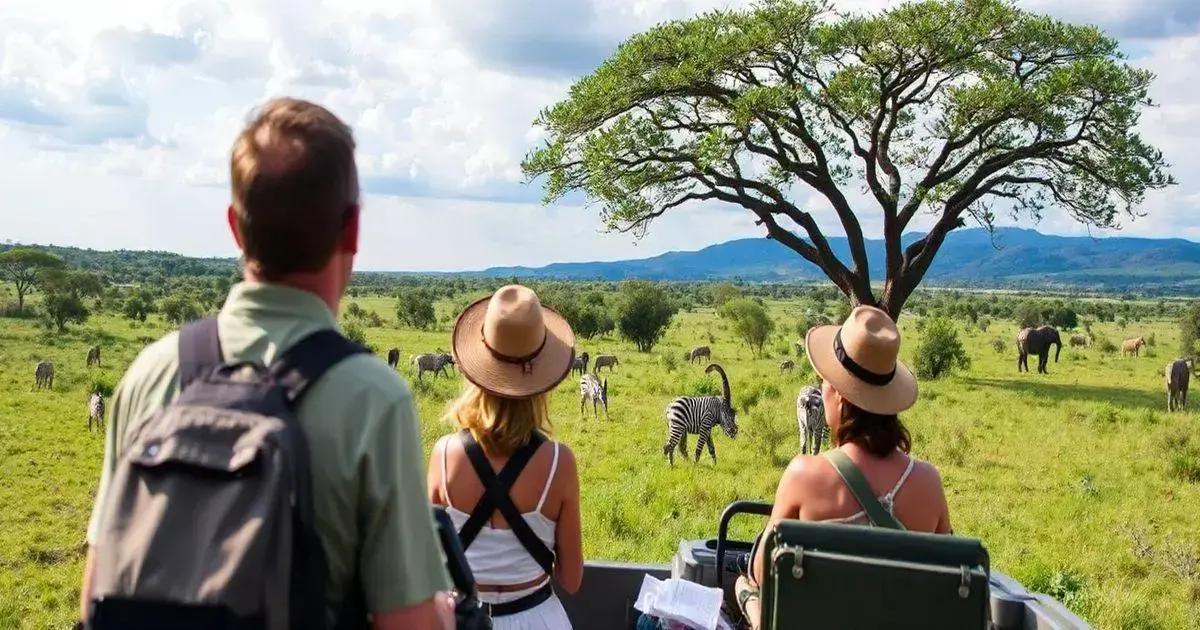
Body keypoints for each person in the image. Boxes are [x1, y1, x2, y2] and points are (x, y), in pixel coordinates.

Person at [80, 98, 453, 629]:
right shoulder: (374, 398)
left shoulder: (149, 374)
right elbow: (406, 623)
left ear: (235, 227)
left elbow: (97, 589)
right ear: (352, 231)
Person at [736, 306, 952, 629]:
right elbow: (945, 586)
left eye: (825, 381)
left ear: (839, 396)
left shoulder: (803, 475)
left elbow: (761, 572)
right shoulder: (929, 483)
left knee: (743, 586)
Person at [428, 284, 584, 629]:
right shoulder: (560, 463)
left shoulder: (443, 455)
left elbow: (426, 568)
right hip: (538, 618)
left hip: (463, 621)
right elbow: (571, 579)